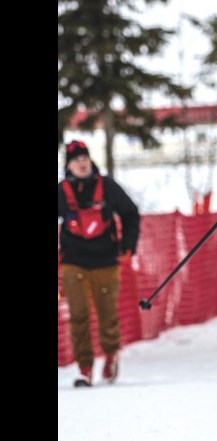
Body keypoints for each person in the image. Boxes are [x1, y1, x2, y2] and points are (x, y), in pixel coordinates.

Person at [58, 140, 141, 387]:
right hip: (73, 261)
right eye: (76, 161)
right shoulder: (61, 191)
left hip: (105, 260)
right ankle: (85, 368)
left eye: (84, 159)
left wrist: (128, 246)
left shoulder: (107, 187)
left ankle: (111, 355)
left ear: (90, 161)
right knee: (79, 315)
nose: (81, 164)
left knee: (107, 315)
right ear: (69, 166)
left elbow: (130, 212)